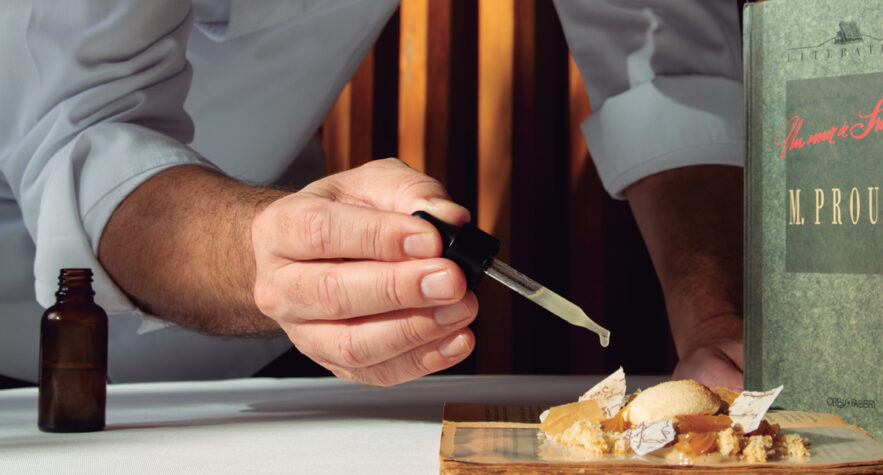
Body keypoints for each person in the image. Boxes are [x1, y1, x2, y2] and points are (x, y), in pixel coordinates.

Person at [0, 1, 743, 389]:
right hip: (22, 343)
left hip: (283, 347)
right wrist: (271, 248)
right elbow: (80, 130)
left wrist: (716, 323)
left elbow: (671, 67)